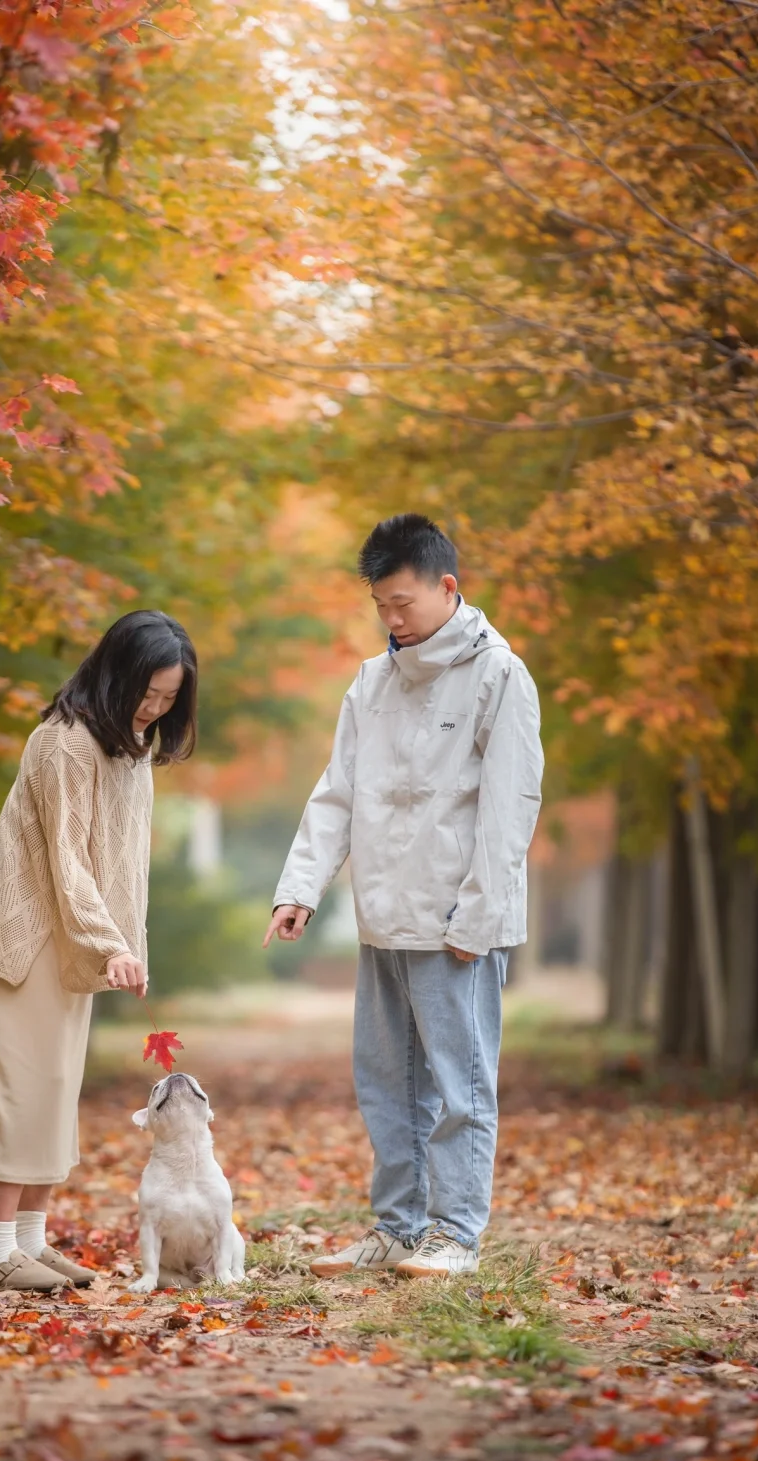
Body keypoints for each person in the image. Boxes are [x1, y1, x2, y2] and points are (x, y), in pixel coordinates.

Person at [264, 515, 542, 1278]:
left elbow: (510, 808)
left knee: (460, 1085)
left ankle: (455, 1232)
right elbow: (337, 795)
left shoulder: (499, 675)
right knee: (387, 1085)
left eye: (404, 602)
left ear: (447, 588)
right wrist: (302, 888)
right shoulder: (371, 681)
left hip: (458, 922)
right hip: (382, 919)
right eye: (381, 604)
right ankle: (397, 1227)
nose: (392, 618)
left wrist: (479, 919)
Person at [0, 610, 197, 1290]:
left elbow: (122, 862)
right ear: (114, 676)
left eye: (168, 697)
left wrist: (125, 946)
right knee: (20, 1084)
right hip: (23, 931)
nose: (154, 708)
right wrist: (108, 940)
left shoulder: (131, 747)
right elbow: (68, 859)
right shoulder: (64, 742)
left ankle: (30, 1239)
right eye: (145, 693)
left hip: (73, 938)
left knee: (56, 1086)